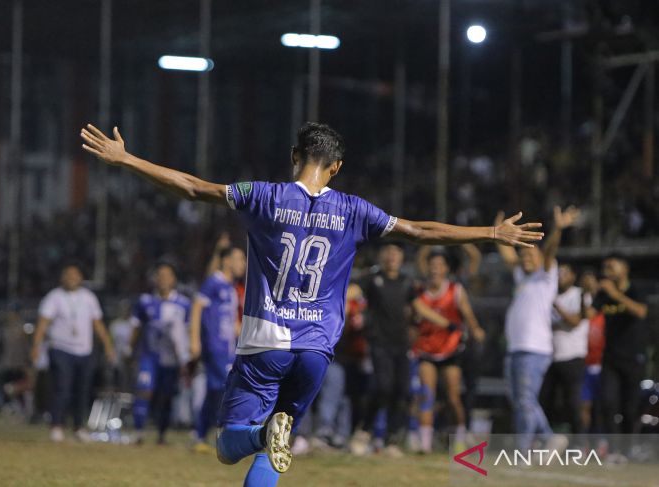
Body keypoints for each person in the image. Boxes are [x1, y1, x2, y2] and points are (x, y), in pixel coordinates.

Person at [81, 121, 542, 486]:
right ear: (336, 167)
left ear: (294, 158)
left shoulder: (262, 196)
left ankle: (264, 432)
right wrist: (490, 232)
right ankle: (272, 433)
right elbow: (421, 231)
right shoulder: (356, 210)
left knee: (230, 445)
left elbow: (193, 187)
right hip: (316, 349)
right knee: (281, 441)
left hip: (266, 341)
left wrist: (127, 160)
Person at [495, 206, 579, 452]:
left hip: (534, 349)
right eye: (523, 256)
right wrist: (496, 231)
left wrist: (558, 230)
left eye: (531, 256)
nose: (526, 258)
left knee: (525, 401)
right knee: (522, 401)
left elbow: (550, 250)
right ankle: (549, 437)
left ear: (541, 260)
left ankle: (524, 450)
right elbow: (507, 255)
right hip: (516, 349)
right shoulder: (523, 277)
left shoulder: (546, 276)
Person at [30, 263, 116, 442]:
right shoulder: (54, 297)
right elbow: (43, 323)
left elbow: (97, 323)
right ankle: (56, 426)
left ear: (80, 277)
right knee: (62, 387)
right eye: (67, 275)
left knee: (83, 390)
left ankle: (79, 427)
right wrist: (36, 346)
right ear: (62, 278)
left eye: (74, 275)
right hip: (61, 348)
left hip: (84, 350)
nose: (71, 278)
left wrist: (108, 345)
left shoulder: (89, 297)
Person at [411, 250, 486, 453]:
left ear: (446, 269)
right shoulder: (418, 291)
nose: (435, 268)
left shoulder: (455, 290)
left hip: (450, 350)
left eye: (439, 265)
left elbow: (467, 314)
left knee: (453, 398)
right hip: (426, 350)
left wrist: (476, 329)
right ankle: (425, 444)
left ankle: (460, 437)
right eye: (432, 265)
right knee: (427, 396)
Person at [349, 244, 417, 458]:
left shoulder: (407, 282)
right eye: (387, 251)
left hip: (402, 344)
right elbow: (352, 291)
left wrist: (446, 323)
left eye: (396, 252)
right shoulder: (372, 279)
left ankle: (392, 440)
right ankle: (365, 431)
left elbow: (418, 307)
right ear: (381, 255)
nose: (392, 256)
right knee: (383, 388)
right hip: (379, 343)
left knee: (403, 390)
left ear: (402, 257)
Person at [190, 247, 246, 450]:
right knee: (226, 388)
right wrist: (194, 339)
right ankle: (225, 434)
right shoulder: (213, 282)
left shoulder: (232, 288)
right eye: (240, 259)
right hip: (215, 346)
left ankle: (200, 434)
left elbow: (229, 319)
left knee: (216, 390)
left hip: (228, 347)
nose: (244, 264)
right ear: (227, 261)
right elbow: (197, 308)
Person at [587, 254, 647, 437]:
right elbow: (587, 315)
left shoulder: (634, 289)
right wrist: (588, 292)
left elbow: (641, 311)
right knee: (608, 403)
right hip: (610, 358)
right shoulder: (603, 294)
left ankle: (627, 449)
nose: (608, 271)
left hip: (633, 358)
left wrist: (615, 295)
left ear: (625, 269)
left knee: (629, 409)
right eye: (606, 268)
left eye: (612, 267)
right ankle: (614, 450)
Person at [130, 263, 191, 444]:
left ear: (174, 279)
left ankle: (162, 435)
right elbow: (136, 327)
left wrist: (187, 358)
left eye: (167, 275)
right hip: (149, 356)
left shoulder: (183, 304)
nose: (163, 279)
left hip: (171, 360)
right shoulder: (145, 301)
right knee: (144, 390)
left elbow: (188, 332)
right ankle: (139, 431)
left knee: (166, 396)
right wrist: (129, 349)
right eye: (160, 275)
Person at [539, 263, 586, 435]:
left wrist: (556, 305)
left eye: (565, 273)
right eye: (558, 273)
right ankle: (546, 441)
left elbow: (575, 321)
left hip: (572, 357)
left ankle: (580, 445)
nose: (560, 277)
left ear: (573, 276)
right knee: (545, 402)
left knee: (572, 403)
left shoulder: (580, 295)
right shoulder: (550, 295)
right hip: (550, 356)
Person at [579, 269, 604, 433]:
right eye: (585, 279)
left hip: (602, 363)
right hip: (583, 362)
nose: (588, 283)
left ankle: (602, 441)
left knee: (603, 405)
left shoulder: (605, 305)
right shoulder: (579, 303)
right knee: (584, 405)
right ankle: (584, 442)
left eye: (591, 279)